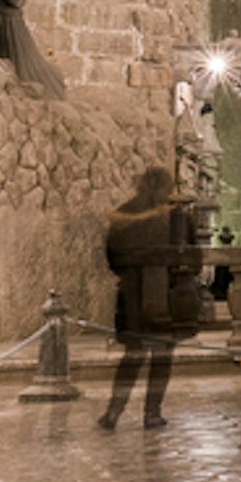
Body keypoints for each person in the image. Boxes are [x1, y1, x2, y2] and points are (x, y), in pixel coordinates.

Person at [99, 165, 196, 430]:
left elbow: (111, 258)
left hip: (132, 296)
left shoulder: (124, 213)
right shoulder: (178, 218)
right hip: (166, 294)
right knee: (162, 356)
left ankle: (113, 412)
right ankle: (152, 413)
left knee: (132, 356)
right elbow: (193, 259)